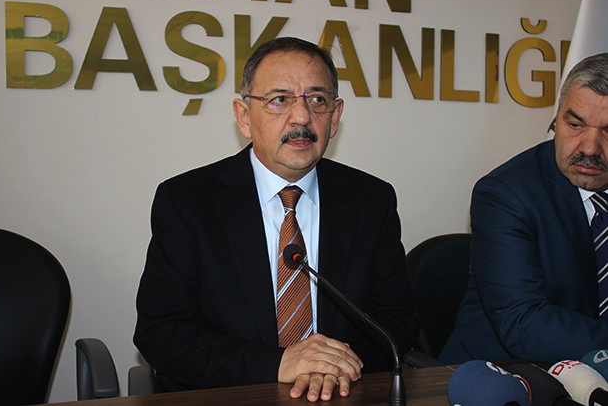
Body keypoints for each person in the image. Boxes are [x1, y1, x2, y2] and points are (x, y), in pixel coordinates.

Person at [134, 37, 419, 401]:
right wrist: (278, 364)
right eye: (279, 100)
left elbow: (397, 319)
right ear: (244, 116)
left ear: (335, 117)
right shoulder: (187, 202)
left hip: (340, 395)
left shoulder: (372, 200)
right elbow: (162, 333)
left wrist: (332, 365)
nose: (302, 117)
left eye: (318, 100)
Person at [439, 53, 608, 365]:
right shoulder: (506, 194)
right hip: (508, 376)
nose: (589, 148)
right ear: (556, 118)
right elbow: (524, 324)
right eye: (574, 125)